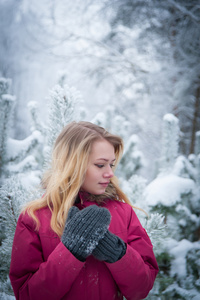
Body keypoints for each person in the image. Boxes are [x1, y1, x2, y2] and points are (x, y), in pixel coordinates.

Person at [9, 121, 159, 300]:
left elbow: (141, 289)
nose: (110, 173)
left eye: (111, 164)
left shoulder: (124, 214)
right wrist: (70, 251)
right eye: (100, 165)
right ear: (73, 164)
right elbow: (27, 295)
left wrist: (117, 252)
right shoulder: (34, 219)